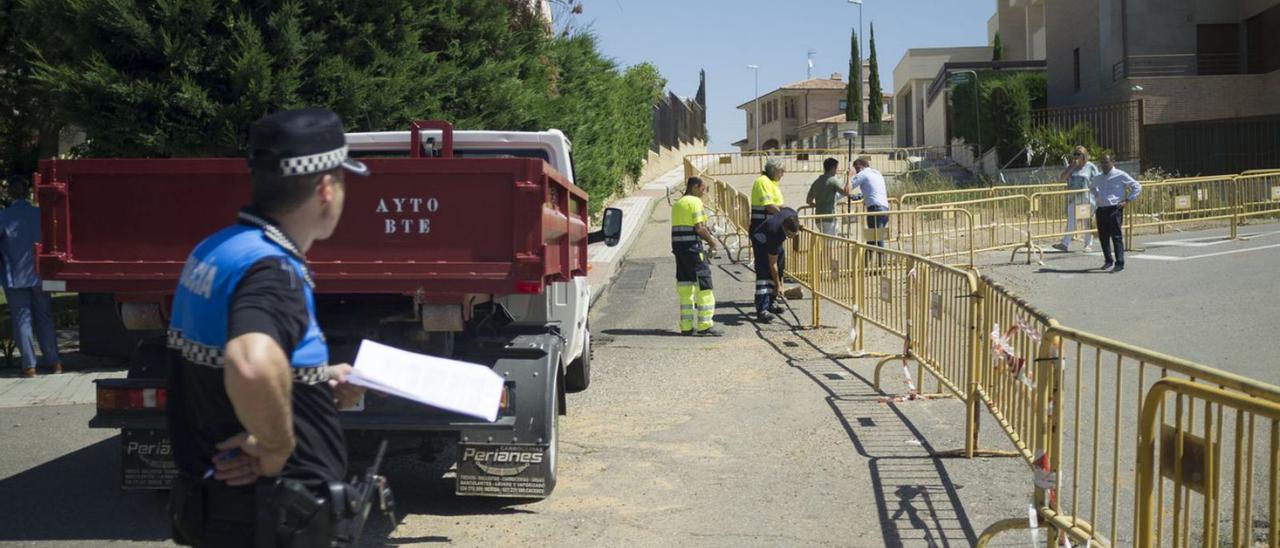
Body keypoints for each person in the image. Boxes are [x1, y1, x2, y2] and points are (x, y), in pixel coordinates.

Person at [166, 108, 368, 547]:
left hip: (224, 510)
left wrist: (314, 381)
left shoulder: (218, 249)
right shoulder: (272, 269)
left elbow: (222, 368)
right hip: (272, 521)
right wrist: (276, 448)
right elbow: (252, 363)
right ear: (326, 189)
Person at [0, 175, 62, 378]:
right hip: (40, 274)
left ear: (9, 193)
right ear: (27, 192)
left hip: (14, 275)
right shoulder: (40, 215)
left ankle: (29, 365)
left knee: (21, 320)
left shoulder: (4, 216)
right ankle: (54, 362)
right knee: (45, 317)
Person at [671, 177, 720, 336]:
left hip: (680, 250)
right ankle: (705, 325)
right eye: (703, 189)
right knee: (704, 284)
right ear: (695, 187)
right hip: (693, 249)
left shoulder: (678, 204)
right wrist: (712, 242)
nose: (704, 192)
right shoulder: (695, 202)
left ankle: (686, 327)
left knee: (685, 287)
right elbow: (699, 228)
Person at [1089, 154, 1141, 273]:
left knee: (1116, 236)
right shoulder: (1098, 177)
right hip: (1101, 209)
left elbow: (1137, 186)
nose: (1104, 165)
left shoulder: (1120, 174)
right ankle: (1108, 261)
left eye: (1106, 162)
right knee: (1103, 237)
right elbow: (1092, 188)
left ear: (1113, 162)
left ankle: (1120, 263)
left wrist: (1127, 200)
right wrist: (1098, 197)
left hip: (1114, 208)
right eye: (1102, 163)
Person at [750, 207, 801, 323]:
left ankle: (771, 302)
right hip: (761, 240)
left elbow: (783, 208)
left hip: (774, 239)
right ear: (784, 228)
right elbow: (773, 265)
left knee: (781, 265)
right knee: (764, 272)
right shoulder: (775, 233)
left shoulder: (792, 214)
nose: (791, 237)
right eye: (789, 235)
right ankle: (762, 309)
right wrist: (778, 286)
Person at [1052, 146, 1100, 252]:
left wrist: (1098, 196)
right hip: (1073, 198)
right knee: (1071, 221)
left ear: (1084, 155)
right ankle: (1065, 244)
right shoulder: (1072, 167)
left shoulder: (1090, 167)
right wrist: (1071, 167)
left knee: (1086, 222)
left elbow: (1098, 180)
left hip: (1085, 199)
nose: (1076, 156)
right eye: (1075, 154)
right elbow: (1062, 178)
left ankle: (1088, 244)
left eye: (1079, 154)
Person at [751, 159, 787, 285]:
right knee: (765, 264)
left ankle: (775, 292)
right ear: (774, 170)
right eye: (782, 171)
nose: (783, 174)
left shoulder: (772, 183)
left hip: (771, 228)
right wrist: (785, 219)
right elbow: (769, 206)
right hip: (762, 228)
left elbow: (778, 205)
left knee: (778, 260)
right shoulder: (763, 182)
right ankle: (764, 301)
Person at [850, 157, 890, 248]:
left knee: (877, 238)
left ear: (862, 166)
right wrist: (860, 196)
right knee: (873, 238)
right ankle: (867, 260)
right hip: (885, 209)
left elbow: (849, 187)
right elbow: (873, 190)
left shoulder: (863, 174)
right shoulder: (877, 173)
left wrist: (849, 176)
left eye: (857, 168)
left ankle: (881, 261)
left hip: (875, 209)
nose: (856, 171)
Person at [805, 157, 850, 235]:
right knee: (829, 244)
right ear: (833, 168)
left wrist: (820, 205)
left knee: (825, 242)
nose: (836, 171)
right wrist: (849, 177)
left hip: (819, 218)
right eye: (836, 168)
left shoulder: (816, 182)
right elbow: (846, 192)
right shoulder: (832, 180)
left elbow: (809, 200)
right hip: (829, 218)